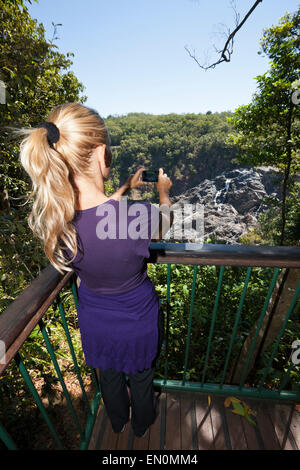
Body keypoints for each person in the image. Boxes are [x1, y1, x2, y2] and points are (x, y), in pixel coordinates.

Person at [17, 102, 173, 438]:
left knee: (110, 376)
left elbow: (98, 215)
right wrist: (162, 194)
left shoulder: (60, 226)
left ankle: (116, 420)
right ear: (101, 153)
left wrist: (125, 188)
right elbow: (165, 222)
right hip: (137, 322)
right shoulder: (135, 219)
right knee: (142, 378)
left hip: (96, 322)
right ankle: (142, 424)